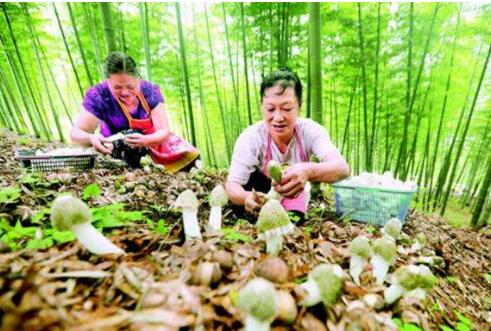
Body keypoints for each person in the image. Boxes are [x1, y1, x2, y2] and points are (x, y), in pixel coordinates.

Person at [225, 68, 350, 215]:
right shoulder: (251, 137)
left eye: (287, 108)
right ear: (262, 107)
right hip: (260, 191)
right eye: (270, 109)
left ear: (299, 106)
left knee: (294, 219)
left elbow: (342, 168)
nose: (278, 117)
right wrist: (246, 197)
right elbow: (232, 184)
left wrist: (308, 171)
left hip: (293, 193)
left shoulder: (310, 131)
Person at [70, 51, 199, 172]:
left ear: (138, 79)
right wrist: (91, 137)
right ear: (108, 82)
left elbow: (163, 131)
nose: (125, 92)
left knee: (190, 159)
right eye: (117, 87)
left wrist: (146, 140)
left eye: (131, 86)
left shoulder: (150, 92)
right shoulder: (100, 96)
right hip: (116, 147)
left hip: (152, 141)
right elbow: (75, 133)